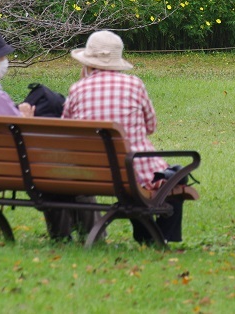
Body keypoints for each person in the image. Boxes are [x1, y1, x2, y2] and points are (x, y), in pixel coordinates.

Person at [63, 30, 192, 243]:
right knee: (176, 177)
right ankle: (159, 236)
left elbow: (68, 130)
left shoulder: (77, 89)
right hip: (132, 170)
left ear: (87, 62)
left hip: (89, 171)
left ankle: (147, 234)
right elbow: (151, 126)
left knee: (150, 182)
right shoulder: (134, 85)